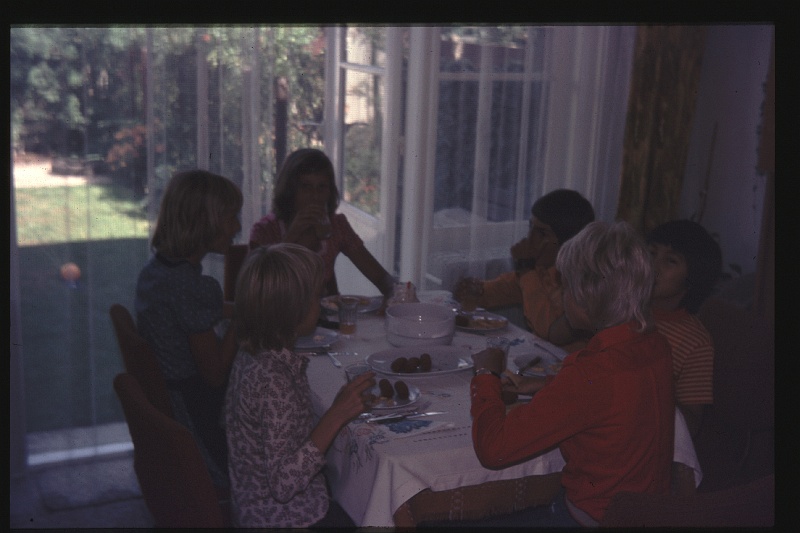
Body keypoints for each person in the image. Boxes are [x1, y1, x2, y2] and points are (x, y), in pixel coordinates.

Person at [470, 221, 674, 526]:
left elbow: (493, 449)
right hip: (647, 515)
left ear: (587, 296)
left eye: (565, 287)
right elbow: (615, 399)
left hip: (590, 519)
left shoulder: (591, 374)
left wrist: (486, 373)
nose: (563, 295)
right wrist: (547, 385)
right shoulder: (656, 346)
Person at [225, 243, 375, 528]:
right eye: (316, 297)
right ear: (293, 311)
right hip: (288, 519)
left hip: (255, 509)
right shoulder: (273, 379)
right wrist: (336, 415)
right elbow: (284, 485)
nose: (320, 303)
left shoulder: (252, 353)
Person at [135, 169, 242, 489]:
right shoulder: (190, 286)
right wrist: (243, 319)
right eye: (231, 218)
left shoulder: (158, 270)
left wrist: (244, 306)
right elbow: (214, 374)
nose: (237, 227)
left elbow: (197, 308)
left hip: (169, 402)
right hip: (194, 414)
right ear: (204, 222)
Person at [453, 189, 595, 352]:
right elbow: (504, 289)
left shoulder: (585, 284)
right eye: (531, 227)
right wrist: (475, 291)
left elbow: (548, 329)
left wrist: (526, 268)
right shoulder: (541, 271)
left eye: (541, 233)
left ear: (568, 241)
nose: (530, 238)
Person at [249, 148, 395, 301]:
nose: (315, 195)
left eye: (322, 187)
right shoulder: (265, 230)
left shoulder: (336, 225)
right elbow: (256, 293)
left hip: (322, 313)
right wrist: (292, 237)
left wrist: (396, 294)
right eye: (305, 186)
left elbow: (380, 277)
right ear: (290, 190)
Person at [648, 219, 722, 438]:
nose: (653, 265)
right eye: (651, 253)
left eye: (670, 261)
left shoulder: (695, 342)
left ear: (692, 279)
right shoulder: (622, 309)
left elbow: (690, 424)